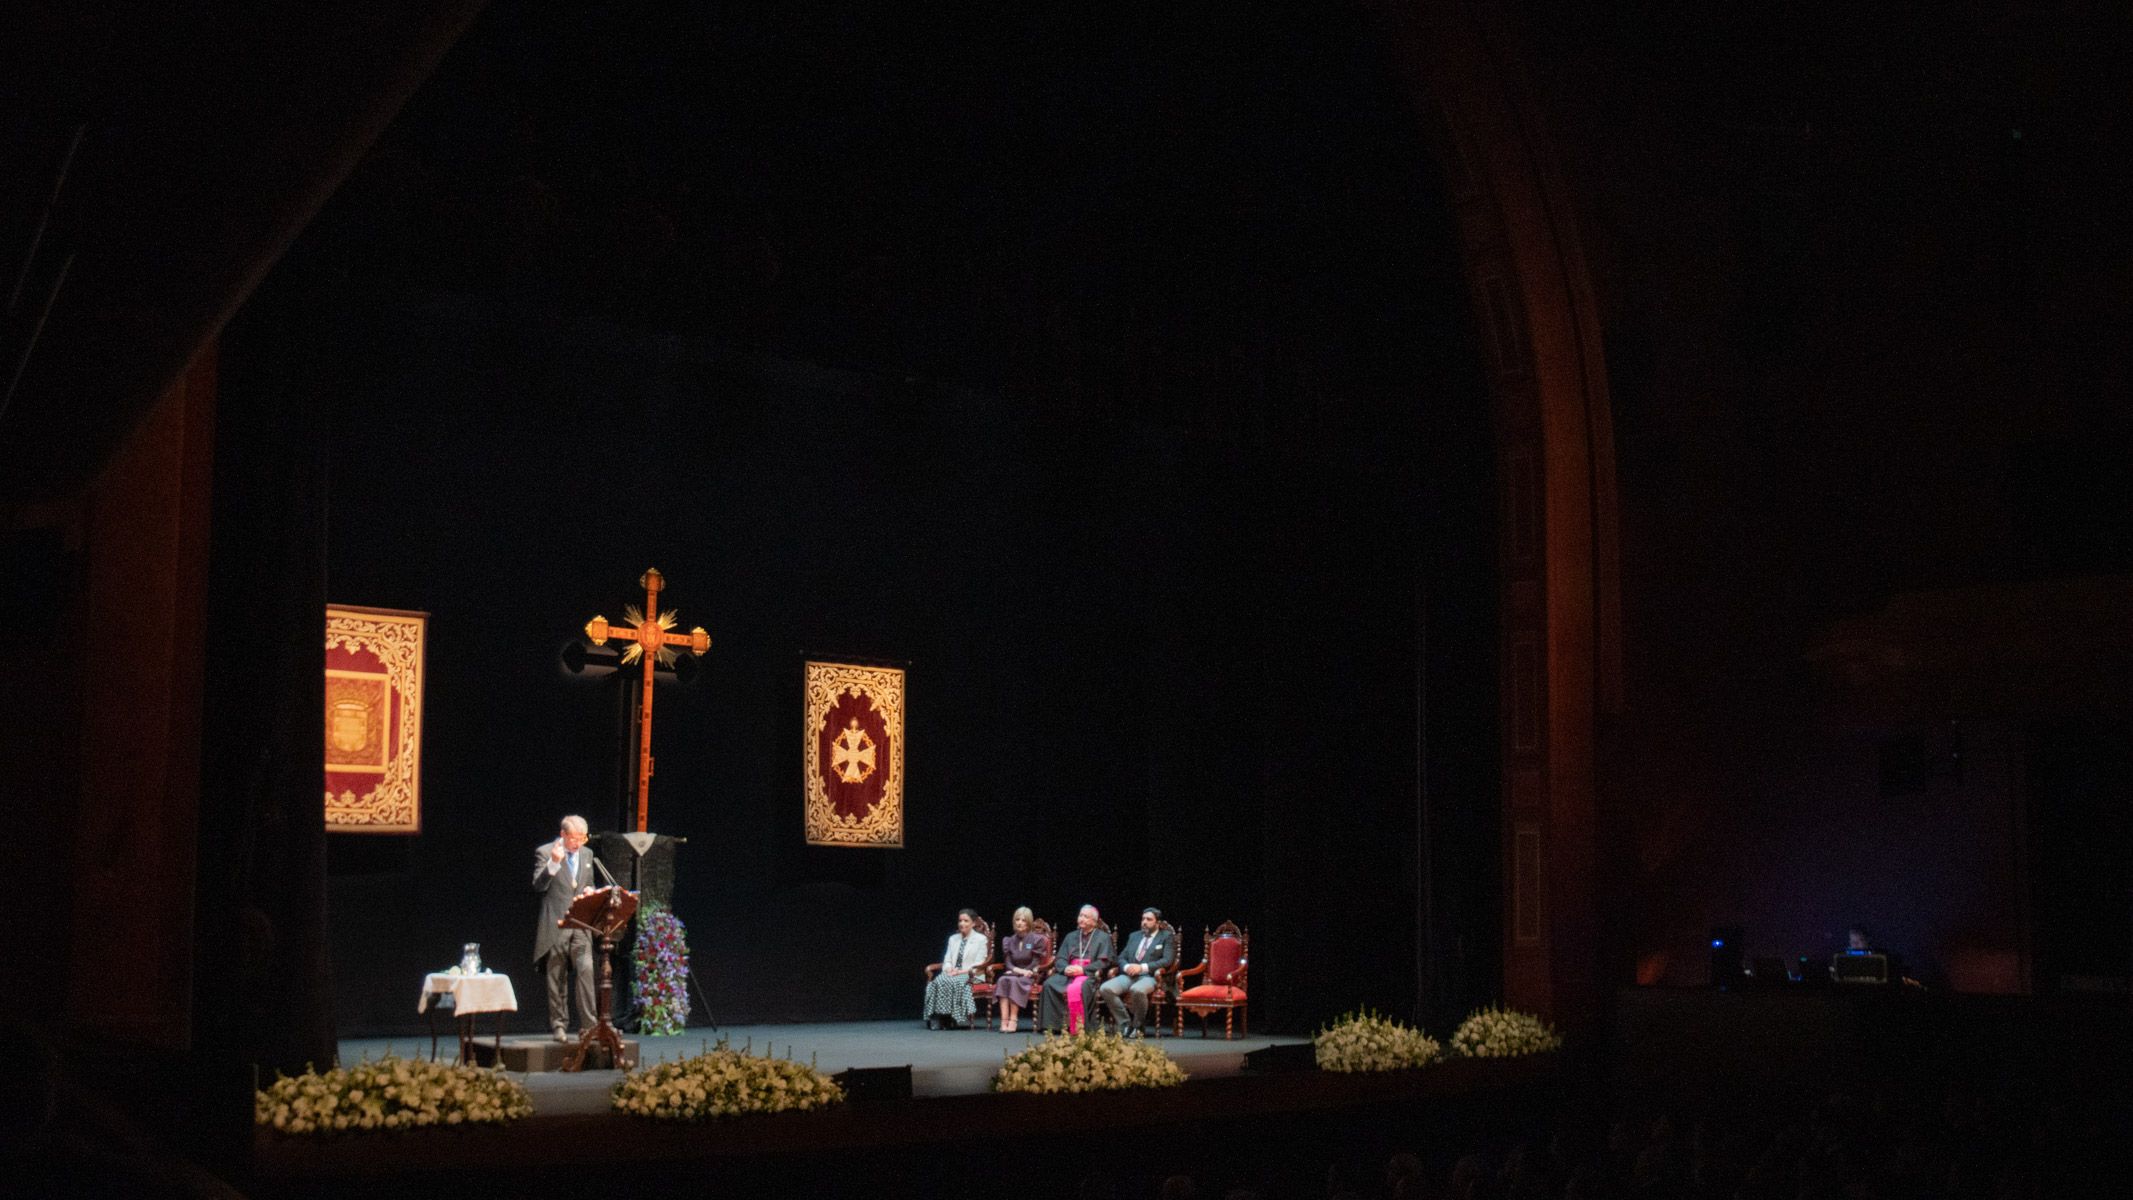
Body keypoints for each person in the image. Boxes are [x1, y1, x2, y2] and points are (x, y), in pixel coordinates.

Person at [531, 814, 600, 1042]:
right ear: (563, 834)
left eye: (583, 838)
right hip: (556, 924)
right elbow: (538, 886)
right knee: (557, 975)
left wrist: (590, 890)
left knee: (586, 971)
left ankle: (590, 1025)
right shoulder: (545, 852)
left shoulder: (588, 854)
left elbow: (587, 882)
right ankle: (559, 1025)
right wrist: (553, 863)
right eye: (574, 838)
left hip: (581, 924)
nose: (578, 843)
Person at [1100, 906, 1175, 1037]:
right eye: (1143, 919)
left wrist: (1142, 967)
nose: (1144, 922)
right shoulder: (1134, 936)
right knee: (1106, 988)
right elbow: (1121, 957)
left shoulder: (1166, 937)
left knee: (1137, 990)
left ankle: (1137, 1026)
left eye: (1149, 919)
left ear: (1157, 922)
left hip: (1150, 976)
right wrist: (1126, 967)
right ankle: (1125, 1024)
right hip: (1129, 975)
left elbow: (1167, 960)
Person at [1039, 905, 1114, 1034]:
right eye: (1080, 915)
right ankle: (1053, 1025)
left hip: (1089, 974)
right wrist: (1065, 968)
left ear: (1094, 921)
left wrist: (1083, 970)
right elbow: (1060, 958)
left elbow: (1105, 961)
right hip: (1069, 973)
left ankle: (1078, 1027)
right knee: (1049, 984)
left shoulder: (1103, 937)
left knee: (1081, 988)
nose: (1081, 919)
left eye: (1086, 916)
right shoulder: (1071, 936)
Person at [923, 909, 990, 1029]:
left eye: (966, 921)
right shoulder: (953, 939)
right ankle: (939, 1017)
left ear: (973, 923)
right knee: (937, 982)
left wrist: (960, 972)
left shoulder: (981, 939)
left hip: (972, 974)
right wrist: (949, 969)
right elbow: (947, 959)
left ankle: (950, 1018)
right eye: (960, 921)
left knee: (952, 981)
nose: (962, 924)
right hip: (953, 972)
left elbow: (979, 963)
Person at [993, 906, 1050, 1033]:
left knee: (1013, 981)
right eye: (1017, 919)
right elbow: (1008, 963)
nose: (1019, 923)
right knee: (1002, 980)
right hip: (1015, 972)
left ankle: (1013, 1019)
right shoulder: (1008, 940)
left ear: (1029, 922)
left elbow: (1035, 962)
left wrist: (1023, 972)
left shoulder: (1037, 939)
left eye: (1023, 920)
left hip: (1031, 975)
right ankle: (1004, 1020)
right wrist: (1019, 971)